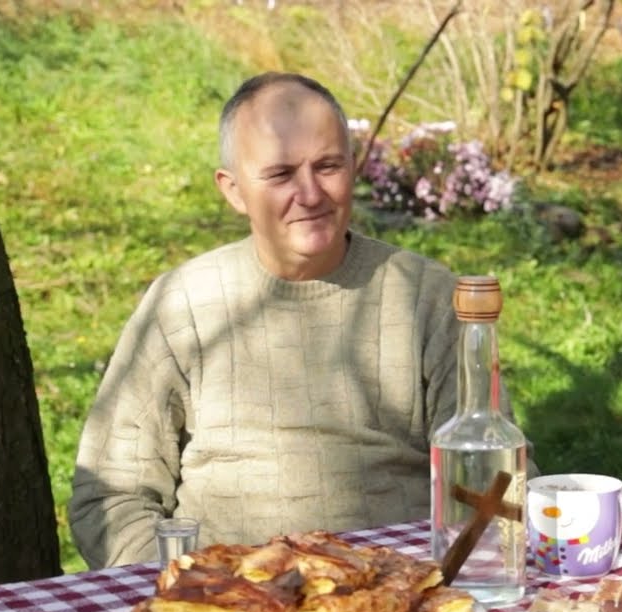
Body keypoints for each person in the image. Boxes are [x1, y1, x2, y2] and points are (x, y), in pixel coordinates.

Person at [69, 72, 530, 568]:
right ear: (233, 190)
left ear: (354, 168)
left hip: (397, 596)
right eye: (281, 174)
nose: (310, 194)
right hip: (227, 601)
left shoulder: (427, 297)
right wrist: (191, 587)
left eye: (328, 166)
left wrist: (430, 580)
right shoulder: (182, 305)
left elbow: (492, 483)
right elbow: (112, 495)